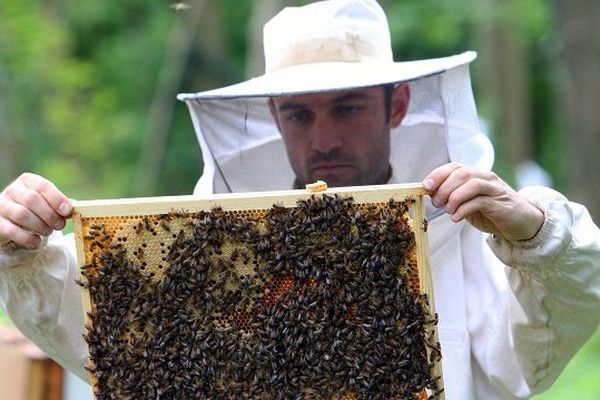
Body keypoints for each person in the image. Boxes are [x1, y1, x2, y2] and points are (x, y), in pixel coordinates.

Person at [1, 0, 599, 398]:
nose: (325, 138)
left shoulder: (466, 230)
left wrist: (538, 235)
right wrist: (22, 250)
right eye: (299, 114)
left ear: (395, 106)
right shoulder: (217, 250)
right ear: (273, 118)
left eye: (348, 108)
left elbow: (540, 348)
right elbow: (117, 344)